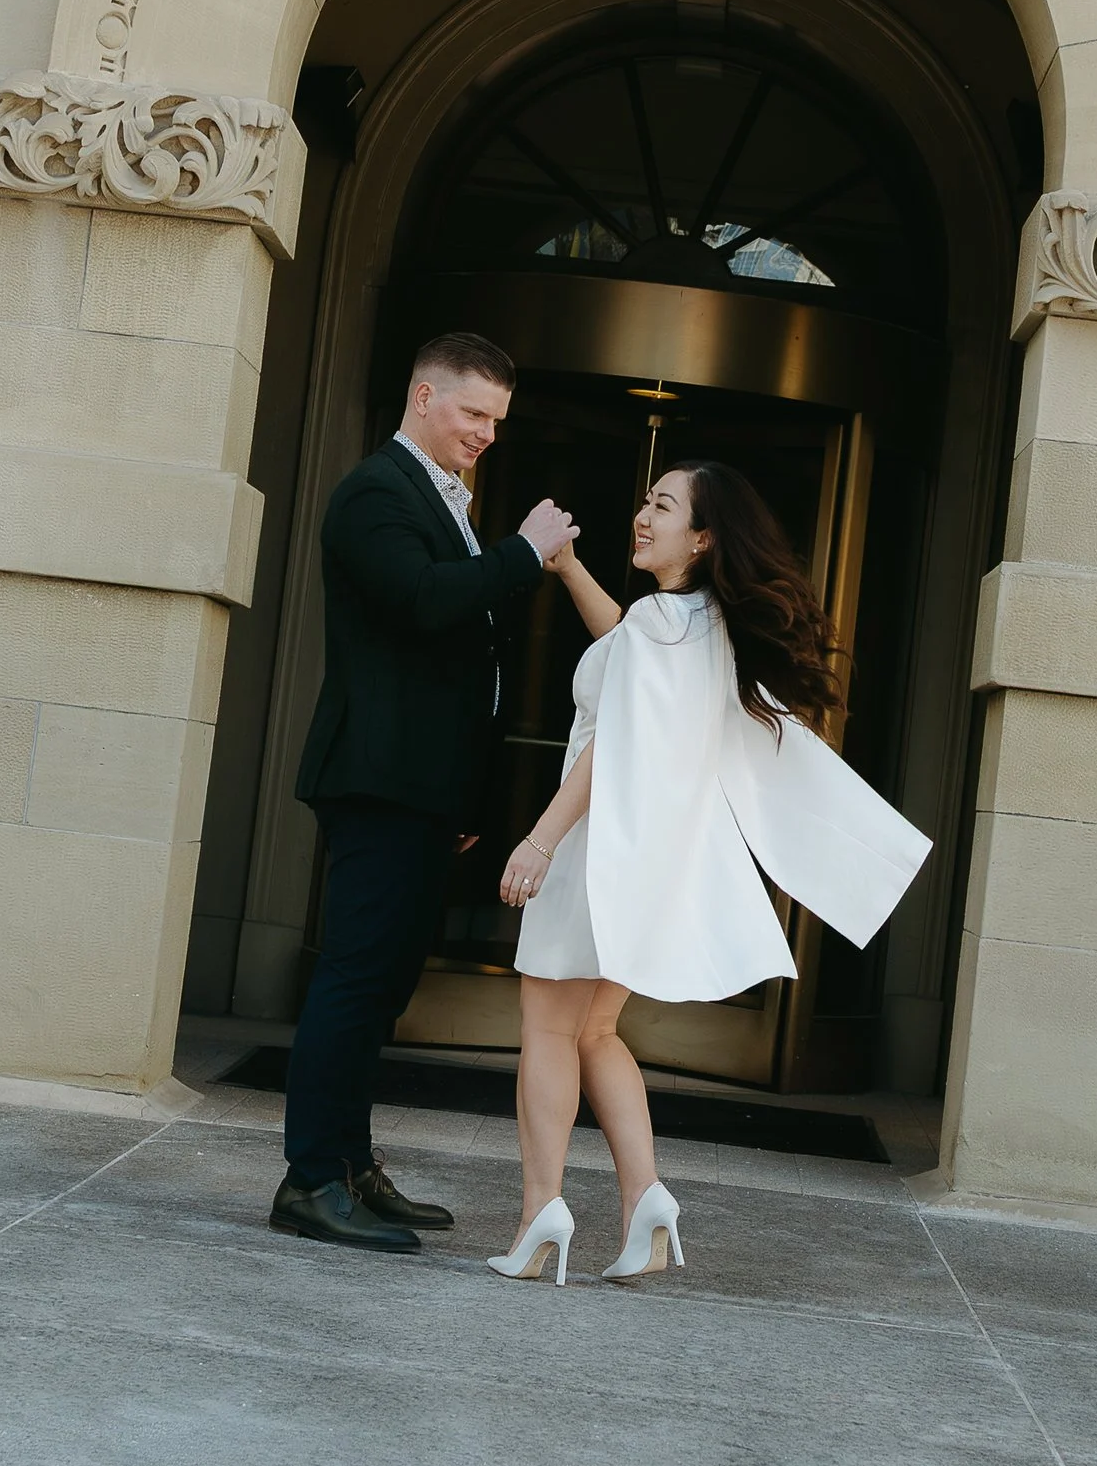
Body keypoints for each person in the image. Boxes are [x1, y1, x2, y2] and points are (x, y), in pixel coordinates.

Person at [485, 462, 931, 1288]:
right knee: (594, 1032)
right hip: (645, 855)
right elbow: (622, 643)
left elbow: (612, 738)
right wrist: (570, 568)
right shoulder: (693, 623)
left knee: (549, 1029)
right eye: (644, 497)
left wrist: (540, 840)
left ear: (703, 536)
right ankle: (645, 1198)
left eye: (662, 504)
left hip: (593, 843)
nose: (641, 514)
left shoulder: (662, 621)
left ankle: (538, 1212)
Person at [273, 330, 577, 1254]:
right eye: (473, 412)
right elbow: (425, 601)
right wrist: (525, 552)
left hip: (419, 787)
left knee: (383, 984)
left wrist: (462, 800)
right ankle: (312, 1178)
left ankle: (351, 1164)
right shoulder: (376, 491)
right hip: (377, 777)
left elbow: (451, 654)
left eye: (496, 418)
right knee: (356, 977)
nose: (486, 431)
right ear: (422, 397)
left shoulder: (440, 496)